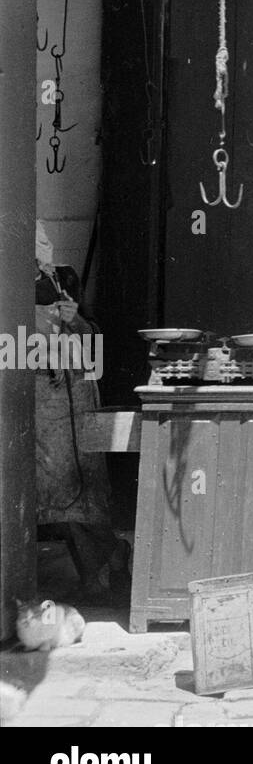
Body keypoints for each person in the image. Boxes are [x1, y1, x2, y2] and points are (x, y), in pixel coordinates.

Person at [33, 221, 121, 595]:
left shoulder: (64, 278)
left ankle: (104, 574)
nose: (41, 246)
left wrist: (77, 320)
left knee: (80, 486)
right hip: (32, 392)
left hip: (69, 392)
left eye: (43, 239)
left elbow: (93, 335)